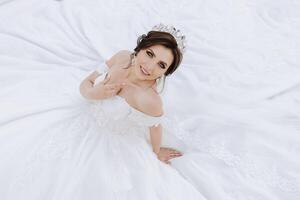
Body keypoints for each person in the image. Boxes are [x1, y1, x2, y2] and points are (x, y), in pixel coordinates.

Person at [0, 24, 206, 200]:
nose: (149, 66)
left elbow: (155, 126)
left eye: (161, 65)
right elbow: (86, 83)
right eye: (149, 54)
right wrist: (94, 92)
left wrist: (156, 151)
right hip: (80, 116)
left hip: (107, 140)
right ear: (140, 48)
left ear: (165, 73)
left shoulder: (149, 99)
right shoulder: (122, 57)